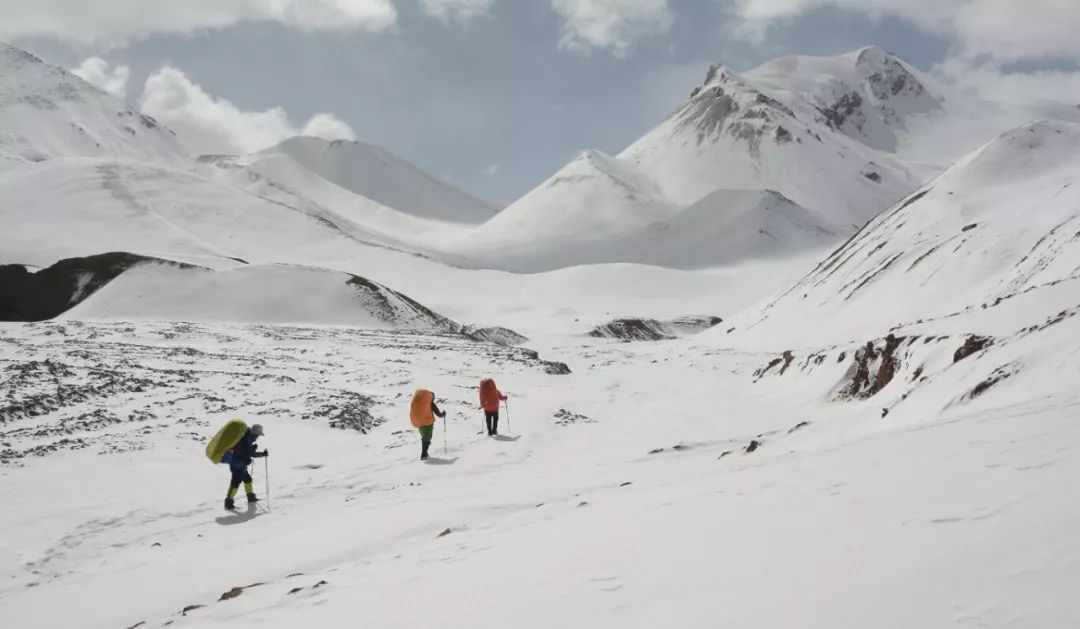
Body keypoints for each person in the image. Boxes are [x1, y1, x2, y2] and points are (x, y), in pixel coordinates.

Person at [224, 423, 268, 510]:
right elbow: (249, 453)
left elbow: (243, 449)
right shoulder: (247, 438)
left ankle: (250, 497)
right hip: (238, 464)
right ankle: (228, 501)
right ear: (255, 434)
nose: (258, 437)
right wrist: (262, 454)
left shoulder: (246, 437)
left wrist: (252, 448)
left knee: (247, 479)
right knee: (235, 483)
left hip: (238, 463)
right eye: (258, 435)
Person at [410, 389, 446, 461]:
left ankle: (425, 453)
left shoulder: (420, 404)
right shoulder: (431, 404)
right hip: (428, 423)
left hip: (419, 422)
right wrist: (443, 414)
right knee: (427, 438)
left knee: (424, 437)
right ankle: (424, 455)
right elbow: (439, 414)